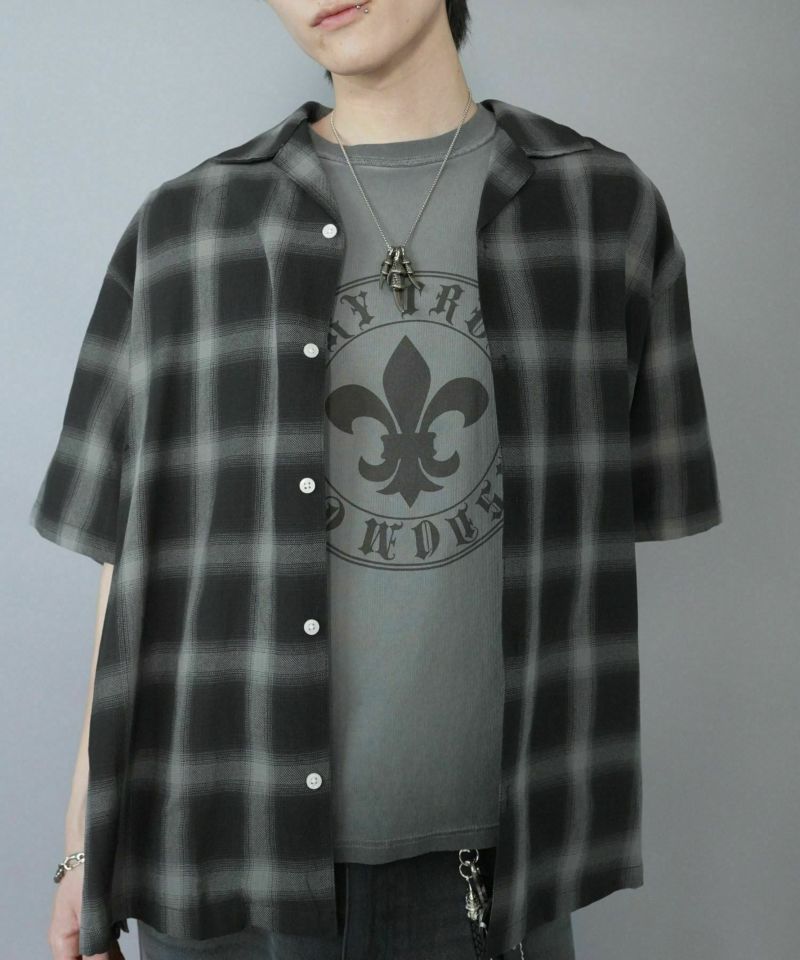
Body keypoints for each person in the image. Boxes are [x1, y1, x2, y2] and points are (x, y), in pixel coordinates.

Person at [33, 2, 723, 959]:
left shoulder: (604, 212)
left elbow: (615, 517)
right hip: (228, 854)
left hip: (493, 876)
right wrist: (82, 839)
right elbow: (130, 557)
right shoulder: (187, 229)